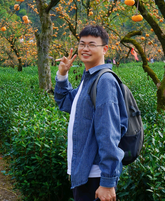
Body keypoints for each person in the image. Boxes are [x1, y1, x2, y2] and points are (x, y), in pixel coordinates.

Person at [54, 25, 128, 201]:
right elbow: (64, 101)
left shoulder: (104, 81)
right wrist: (62, 74)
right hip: (83, 171)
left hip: (95, 176)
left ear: (105, 49)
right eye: (82, 44)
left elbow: (109, 132)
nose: (85, 49)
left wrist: (108, 182)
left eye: (92, 44)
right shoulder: (88, 79)